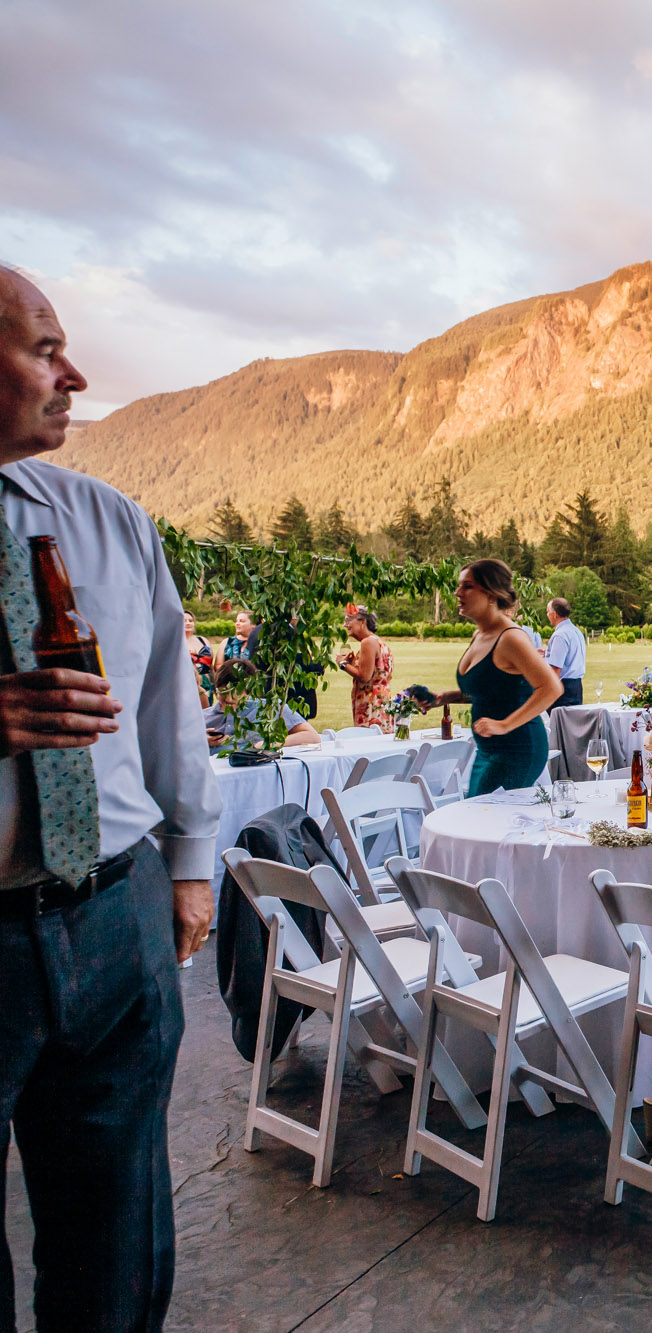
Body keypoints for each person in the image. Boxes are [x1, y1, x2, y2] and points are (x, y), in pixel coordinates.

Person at [0, 263, 220, 1330]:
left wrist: (187, 865)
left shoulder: (108, 522)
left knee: (118, 1243)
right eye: (44, 348)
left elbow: (167, 699)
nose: (74, 373)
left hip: (117, 913)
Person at [420, 559, 562, 796]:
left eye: (467, 586)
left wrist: (504, 725)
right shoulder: (480, 634)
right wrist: (445, 697)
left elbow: (551, 688)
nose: (457, 593)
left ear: (490, 593)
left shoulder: (510, 638)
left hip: (518, 748)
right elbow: (493, 690)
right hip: (488, 749)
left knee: (488, 818)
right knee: (483, 815)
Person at [204, 659, 320, 749]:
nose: (228, 698)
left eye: (235, 693)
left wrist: (268, 744)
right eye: (223, 692)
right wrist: (202, 740)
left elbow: (312, 736)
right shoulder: (204, 716)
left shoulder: (270, 708)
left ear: (248, 690)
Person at [334, 607, 394, 731]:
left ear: (363, 622)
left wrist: (343, 664)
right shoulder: (379, 642)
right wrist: (351, 664)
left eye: (349, 620)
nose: (345, 625)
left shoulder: (367, 642)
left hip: (371, 706)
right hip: (381, 703)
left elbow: (364, 676)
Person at [543, 597, 587, 707]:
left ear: (554, 614)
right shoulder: (575, 631)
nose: (547, 615)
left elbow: (556, 669)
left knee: (560, 723)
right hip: (576, 687)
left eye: (548, 612)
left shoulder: (560, 635)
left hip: (563, 690)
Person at [184, 609, 215, 704]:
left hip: (207, 684)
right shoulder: (176, 643)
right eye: (184, 620)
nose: (188, 623)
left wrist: (216, 686)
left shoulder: (203, 640)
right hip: (188, 684)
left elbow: (211, 667)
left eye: (190, 620)